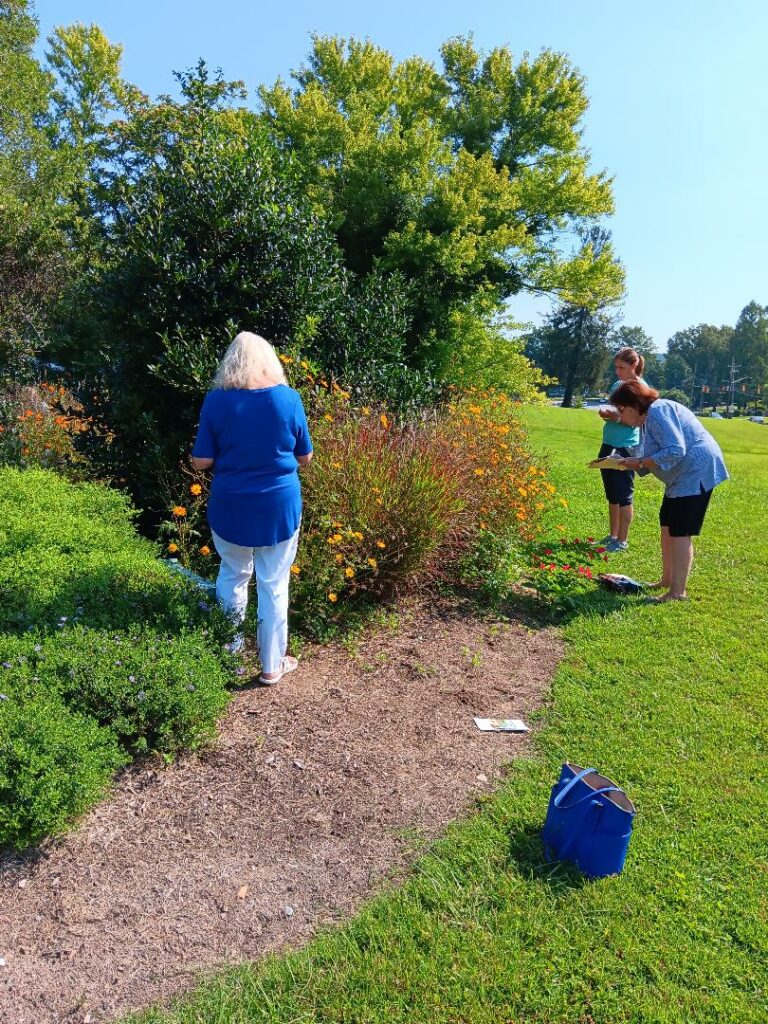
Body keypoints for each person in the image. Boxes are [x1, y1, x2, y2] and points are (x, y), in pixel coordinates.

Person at [191, 331, 313, 683]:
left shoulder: (216, 401)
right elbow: (305, 457)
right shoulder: (289, 400)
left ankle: (229, 655)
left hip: (231, 506)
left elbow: (201, 461)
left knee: (232, 575)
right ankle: (272, 666)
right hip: (279, 506)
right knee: (274, 582)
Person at [611, 379, 728, 603]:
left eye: (622, 411)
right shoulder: (647, 421)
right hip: (681, 477)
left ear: (634, 406)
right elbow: (651, 454)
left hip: (696, 471)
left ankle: (677, 592)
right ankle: (667, 579)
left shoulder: (658, 410)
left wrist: (641, 463)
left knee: (680, 531)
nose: (621, 417)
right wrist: (627, 461)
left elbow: (675, 449)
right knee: (667, 523)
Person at [595, 347, 645, 552]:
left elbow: (636, 421)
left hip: (626, 447)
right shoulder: (618, 385)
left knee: (624, 494)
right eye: (615, 367)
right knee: (612, 493)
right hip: (609, 442)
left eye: (621, 367)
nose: (617, 372)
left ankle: (622, 541)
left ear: (634, 366)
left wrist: (616, 415)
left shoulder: (641, 389)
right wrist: (609, 412)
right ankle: (612, 535)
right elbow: (614, 408)